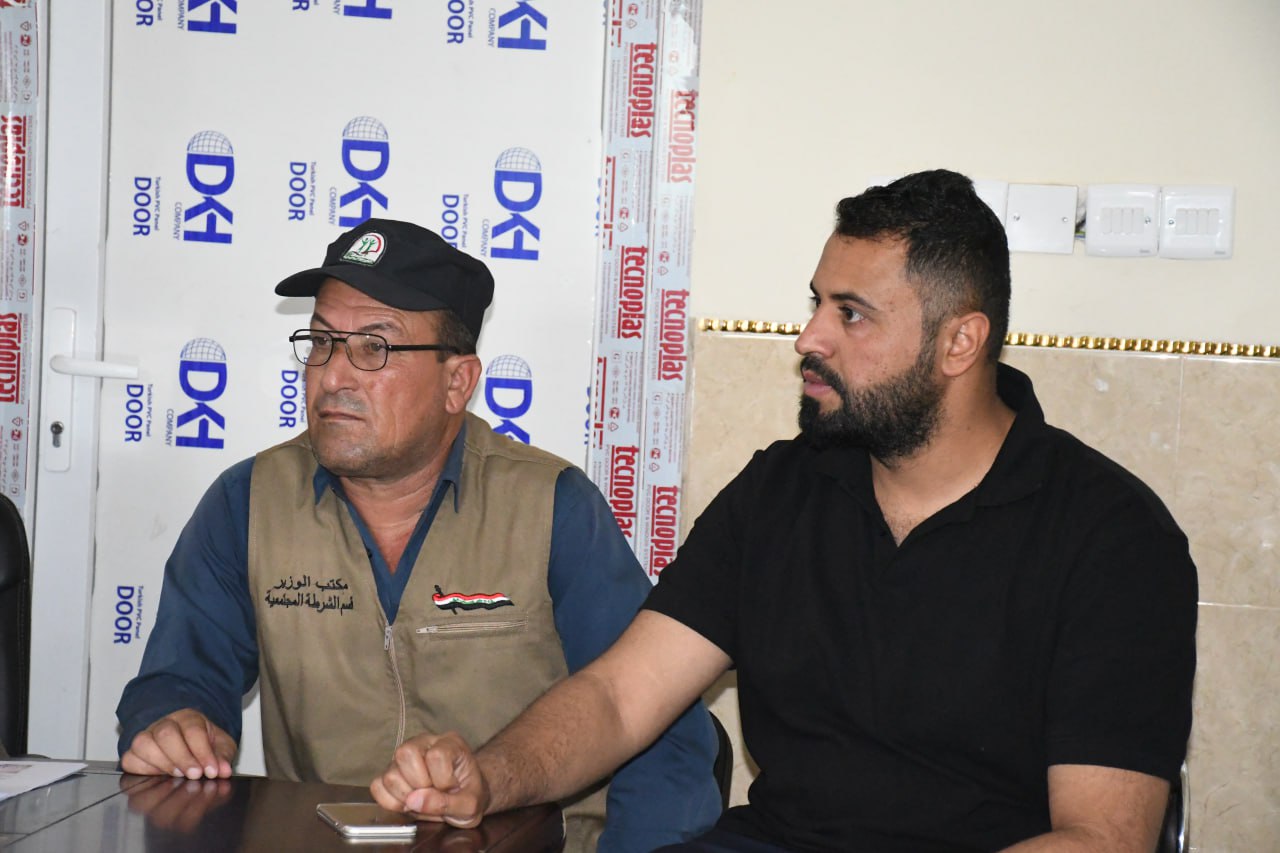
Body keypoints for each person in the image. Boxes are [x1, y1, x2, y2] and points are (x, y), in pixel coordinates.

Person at [370, 172, 1199, 852]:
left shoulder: (1112, 538)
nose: (809, 338)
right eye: (816, 303)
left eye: (851, 313)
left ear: (959, 343)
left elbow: (1102, 838)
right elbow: (621, 696)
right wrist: (489, 777)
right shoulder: (782, 490)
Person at [115, 219, 721, 853]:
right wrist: (173, 726)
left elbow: (661, 737)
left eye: (374, 347)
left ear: (457, 383)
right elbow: (179, 680)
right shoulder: (248, 503)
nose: (333, 376)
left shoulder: (552, 509)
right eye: (321, 342)